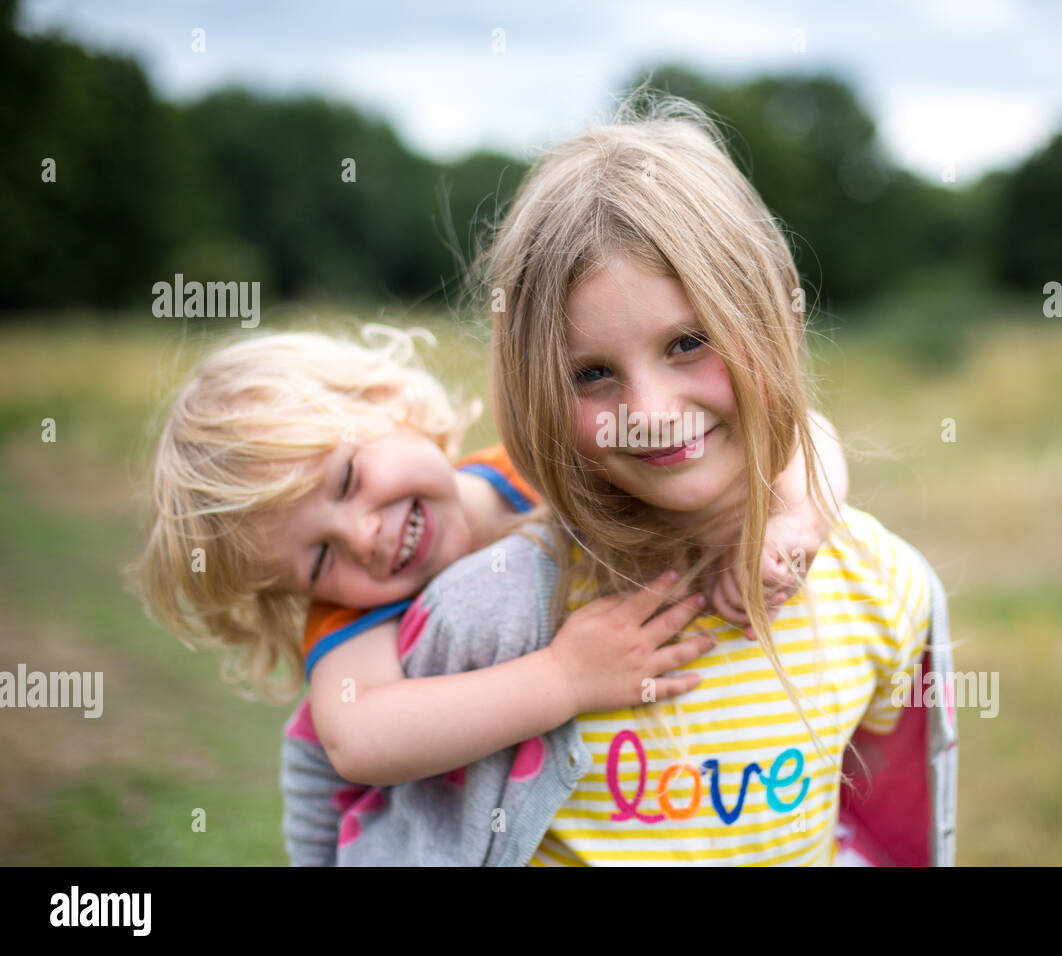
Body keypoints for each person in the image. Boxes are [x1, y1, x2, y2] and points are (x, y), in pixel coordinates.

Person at [284, 89, 955, 866]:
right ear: (535, 391)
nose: (650, 413)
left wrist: (799, 522)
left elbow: (871, 816)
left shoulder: (881, 587)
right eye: (593, 373)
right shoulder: (488, 618)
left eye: (687, 343)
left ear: (777, 320)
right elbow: (355, 785)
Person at [132, 322, 849, 862]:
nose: (364, 536)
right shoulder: (350, 614)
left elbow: (800, 434)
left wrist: (794, 520)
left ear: (387, 405)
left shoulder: (537, 461)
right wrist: (563, 679)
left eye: (348, 479)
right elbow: (358, 738)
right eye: (319, 556)